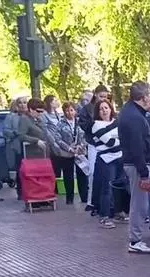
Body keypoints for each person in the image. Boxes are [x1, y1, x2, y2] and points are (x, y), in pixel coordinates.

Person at [118, 81, 150, 253]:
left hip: (145, 163)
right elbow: (136, 146)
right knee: (140, 204)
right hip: (140, 165)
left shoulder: (134, 113)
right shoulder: (133, 117)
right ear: (144, 97)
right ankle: (135, 240)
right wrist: (144, 171)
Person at [79, 84, 110, 212]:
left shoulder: (108, 107)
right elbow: (83, 124)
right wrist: (94, 125)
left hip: (107, 143)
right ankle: (91, 200)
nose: (103, 98)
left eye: (105, 96)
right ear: (95, 95)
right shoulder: (87, 109)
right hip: (93, 143)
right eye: (101, 96)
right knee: (92, 171)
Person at [49, 102, 88, 205]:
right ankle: (69, 197)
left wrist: (81, 145)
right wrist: (68, 148)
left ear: (75, 111)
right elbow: (57, 138)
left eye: (71, 110)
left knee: (82, 174)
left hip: (80, 152)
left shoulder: (80, 122)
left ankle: (84, 196)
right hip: (66, 153)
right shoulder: (60, 123)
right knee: (68, 175)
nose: (70, 113)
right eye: (67, 110)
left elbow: (85, 136)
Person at [92, 100, 122, 228]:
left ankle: (117, 211)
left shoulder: (117, 122)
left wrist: (116, 137)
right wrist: (119, 138)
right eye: (101, 109)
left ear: (111, 109)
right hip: (106, 160)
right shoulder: (96, 125)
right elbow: (109, 142)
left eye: (106, 108)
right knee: (107, 188)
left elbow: (125, 137)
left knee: (119, 187)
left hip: (120, 158)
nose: (104, 110)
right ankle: (104, 216)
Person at [2, 97, 28, 192]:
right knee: (20, 169)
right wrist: (14, 133)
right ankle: (20, 191)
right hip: (17, 146)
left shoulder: (30, 116)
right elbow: (5, 131)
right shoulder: (11, 117)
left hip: (30, 147)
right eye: (20, 103)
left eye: (25, 102)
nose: (22, 105)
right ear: (16, 105)